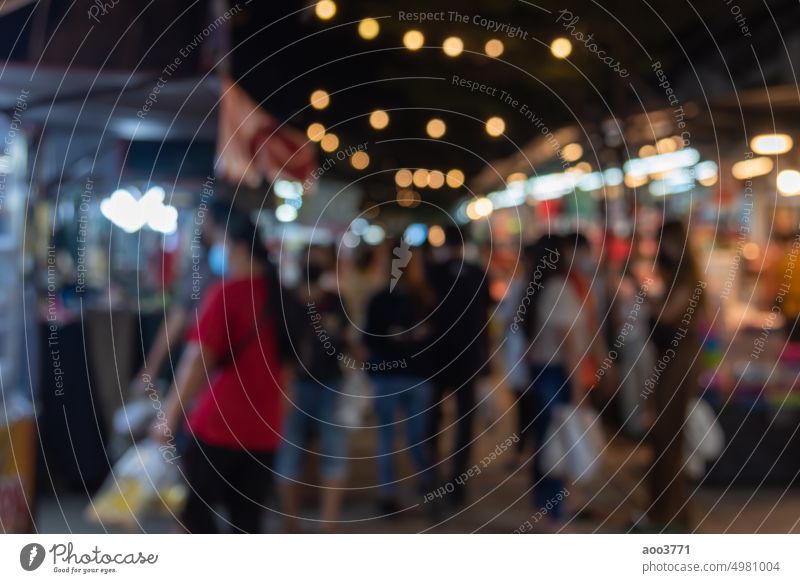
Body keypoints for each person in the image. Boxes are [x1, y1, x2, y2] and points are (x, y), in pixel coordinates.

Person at [152, 213, 286, 533]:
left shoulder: (226, 294)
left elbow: (196, 362)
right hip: (265, 430)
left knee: (192, 515)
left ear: (239, 248)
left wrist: (168, 416)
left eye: (222, 244)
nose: (219, 251)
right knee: (247, 522)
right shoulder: (284, 299)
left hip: (217, 426)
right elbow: (290, 375)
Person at [276, 260, 351, 533]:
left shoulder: (326, 303)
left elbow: (346, 340)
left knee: (326, 450)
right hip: (298, 386)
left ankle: (324, 524)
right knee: (293, 451)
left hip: (325, 385)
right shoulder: (290, 305)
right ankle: (293, 522)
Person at [363, 247, 436, 515]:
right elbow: (437, 340)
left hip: (387, 375)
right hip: (419, 376)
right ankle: (428, 482)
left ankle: (388, 493)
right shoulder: (426, 298)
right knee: (417, 437)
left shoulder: (379, 300)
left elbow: (368, 340)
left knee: (386, 437)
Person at [523, 234, 589, 528]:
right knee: (558, 442)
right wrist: (577, 383)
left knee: (545, 440)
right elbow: (569, 339)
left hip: (539, 370)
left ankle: (545, 507)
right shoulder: (558, 288)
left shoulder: (535, 288)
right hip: (556, 372)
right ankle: (554, 510)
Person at [645, 219, 704, 531]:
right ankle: (669, 512)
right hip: (673, 360)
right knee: (665, 437)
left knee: (669, 437)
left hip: (679, 362)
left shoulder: (688, 278)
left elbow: (668, 313)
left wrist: (647, 299)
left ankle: (669, 514)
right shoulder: (678, 275)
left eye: (665, 243)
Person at [426, 225, 491, 506]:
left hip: (437, 357)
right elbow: (485, 319)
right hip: (468, 357)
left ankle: (431, 474)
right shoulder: (478, 274)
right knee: (465, 422)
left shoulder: (434, 274)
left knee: (432, 419)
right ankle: (457, 482)